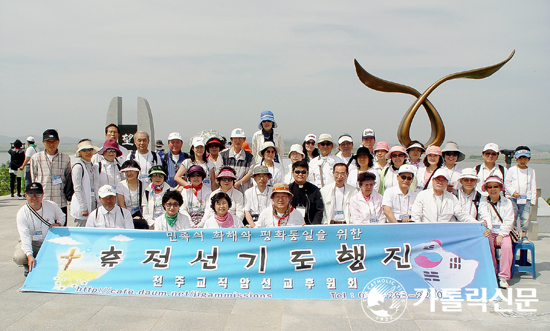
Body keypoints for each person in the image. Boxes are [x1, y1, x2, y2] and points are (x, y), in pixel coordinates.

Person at [13, 183, 63, 276]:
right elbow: (25, 237)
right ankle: (27, 264)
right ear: (25, 195)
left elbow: (62, 216)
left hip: (49, 241)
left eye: (38, 194)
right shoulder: (22, 213)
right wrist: (29, 255)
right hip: (32, 242)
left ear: (43, 195)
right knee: (19, 257)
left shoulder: (52, 206)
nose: (34, 197)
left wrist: (59, 224)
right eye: (31, 194)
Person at [30, 129, 72, 224]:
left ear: (58, 141)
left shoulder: (65, 158)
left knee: (61, 232)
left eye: (54, 141)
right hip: (42, 202)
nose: (51, 144)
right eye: (48, 141)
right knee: (42, 231)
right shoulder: (36, 158)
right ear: (43, 142)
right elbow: (33, 179)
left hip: (60, 201)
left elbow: (68, 178)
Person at [479, 176, 514, 288]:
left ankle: (503, 276)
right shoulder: (484, 201)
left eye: (495, 186)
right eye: (490, 187)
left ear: (500, 188)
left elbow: (509, 220)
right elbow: (484, 216)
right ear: (486, 189)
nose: (493, 189)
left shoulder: (507, 202)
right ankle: (492, 272)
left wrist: (501, 234)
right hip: (490, 230)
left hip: (503, 231)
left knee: (507, 247)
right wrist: (488, 228)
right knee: (487, 245)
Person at [411, 169, 478, 223]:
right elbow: (416, 215)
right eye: (438, 179)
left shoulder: (452, 198)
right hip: (426, 230)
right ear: (433, 181)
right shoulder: (422, 195)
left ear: (447, 182)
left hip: (445, 232)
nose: (440, 182)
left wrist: (478, 224)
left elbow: (462, 215)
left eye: (443, 180)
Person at [505, 146, 537, 242]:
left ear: (528, 159)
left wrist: (533, 199)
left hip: (526, 199)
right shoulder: (512, 170)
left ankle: (524, 235)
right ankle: (514, 234)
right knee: (513, 217)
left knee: (525, 218)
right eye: (520, 158)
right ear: (516, 158)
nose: (522, 161)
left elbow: (533, 184)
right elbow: (507, 182)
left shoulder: (531, 171)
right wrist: (512, 192)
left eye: (525, 158)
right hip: (513, 198)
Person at [70, 139, 100, 227]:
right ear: (80, 153)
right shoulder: (78, 167)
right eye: (84, 150)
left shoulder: (93, 165)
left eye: (90, 150)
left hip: (93, 202)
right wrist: (83, 207)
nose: (88, 152)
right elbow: (77, 188)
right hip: (83, 204)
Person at [288, 160, 324, 225]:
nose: (300, 174)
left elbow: (319, 209)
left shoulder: (314, 189)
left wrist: (313, 225)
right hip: (291, 225)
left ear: (307, 173)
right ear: (293, 173)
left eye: (303, 172)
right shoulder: (288, 189)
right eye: (297, 172)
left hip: (310, 225)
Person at [220, 128, 255, 194]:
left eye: (240, 138)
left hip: (244, 190)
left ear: (244, 140)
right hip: (226, 190)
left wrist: (239, 183)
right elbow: (219, 171)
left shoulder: (250, 157)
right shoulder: (223, 155)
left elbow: (250, 173)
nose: (237, 141)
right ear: (231, 140)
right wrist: (230, 182)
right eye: (235, 138)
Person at [116, 160, 148, 229]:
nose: (129, 173)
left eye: (131, 170)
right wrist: (130, 216)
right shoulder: (120, 185)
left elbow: (146, 204)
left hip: (141, 218)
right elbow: (121, 204)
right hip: (125, 217)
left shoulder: (144, 185)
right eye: (126, 171)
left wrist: (142, 216)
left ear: (137, 171)